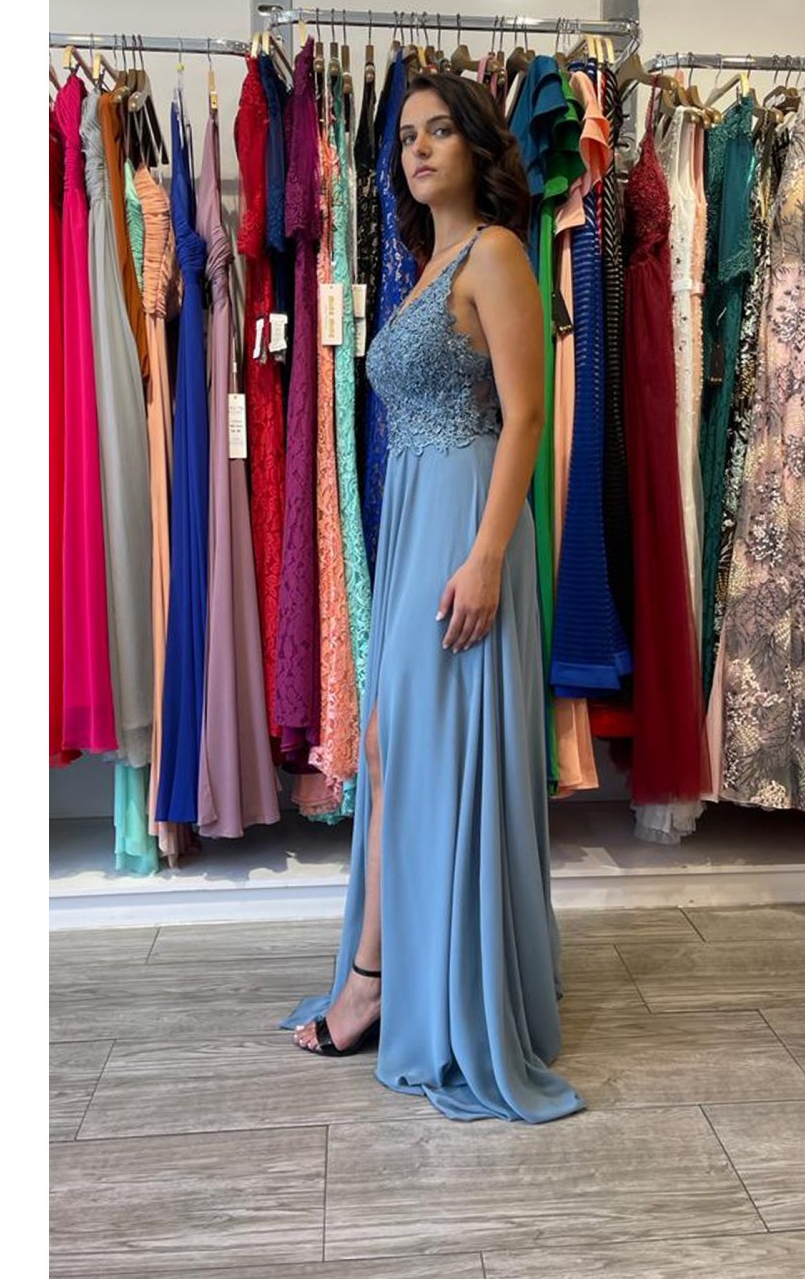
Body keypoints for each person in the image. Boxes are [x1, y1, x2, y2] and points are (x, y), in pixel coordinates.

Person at [280, 70, 585, 1124]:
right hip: (417, 521)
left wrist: (490, 554)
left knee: (414, 747)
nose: (416, 148)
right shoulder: (425, 268)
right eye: (406, 134)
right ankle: (396, 972)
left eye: (439, 130)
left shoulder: (497, 252)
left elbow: (527, 415)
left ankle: (378, 984)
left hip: (466, 522)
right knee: (391, 744)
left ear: (477, 146)